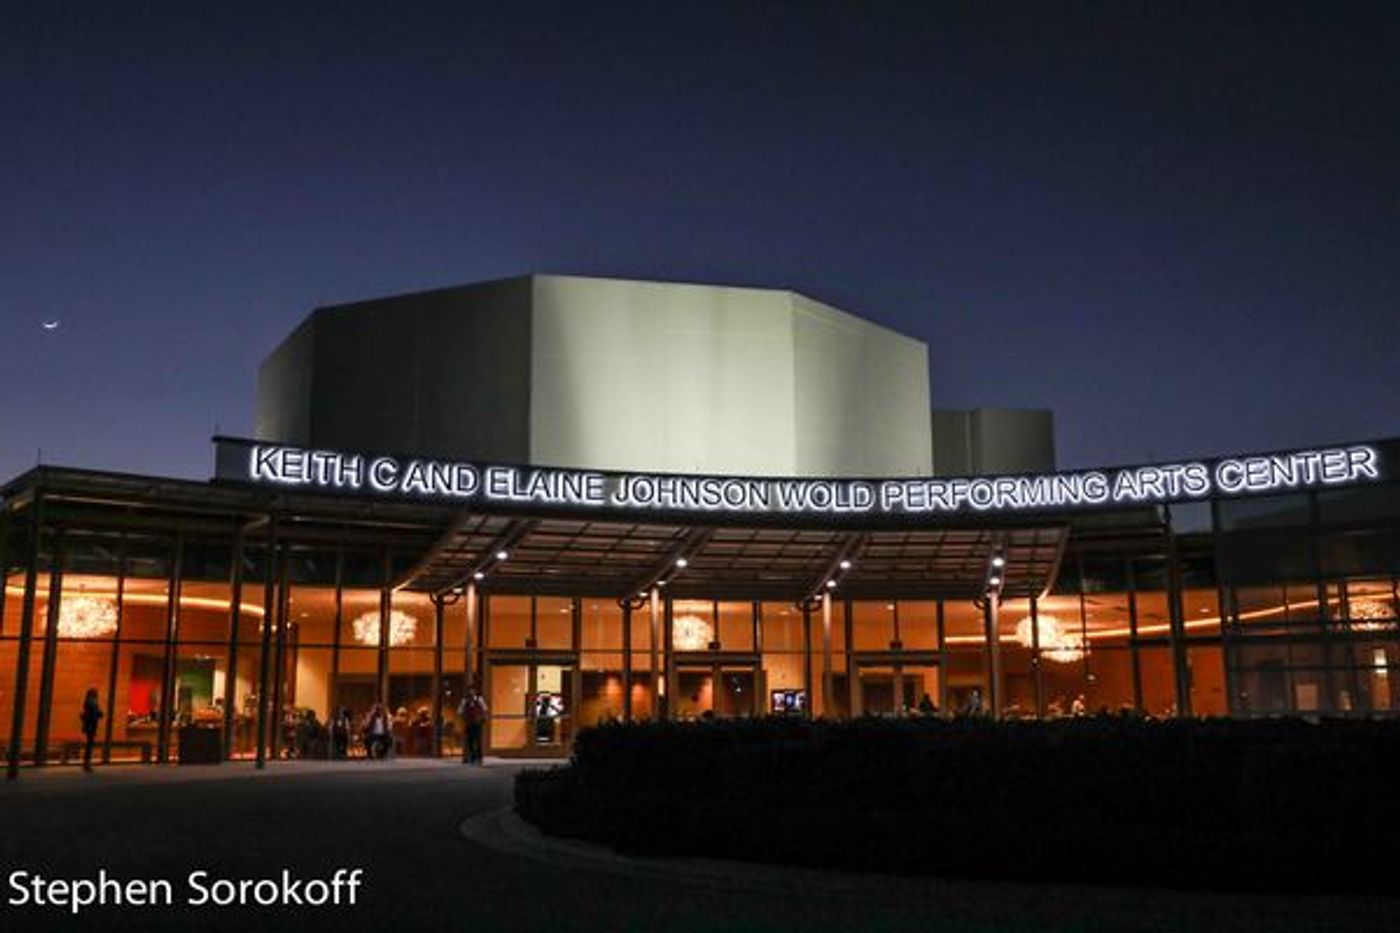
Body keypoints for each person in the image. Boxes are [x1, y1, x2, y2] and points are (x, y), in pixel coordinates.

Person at [457, 688, 487, 764]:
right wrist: (464, 717)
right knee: (470, 741)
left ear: (475, 691)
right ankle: (472, 757)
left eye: (473, 691)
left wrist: (482, 718)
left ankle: (479, 757)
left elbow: (485, 709)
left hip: (477, 723)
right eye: (470, 691)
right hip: (469, 723)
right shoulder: (465, 700)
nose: (471, 692)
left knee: (478, 740)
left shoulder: (479, 699)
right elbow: (459, 711)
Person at [79, 688, 103, 772]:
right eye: (95, 694)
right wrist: (99, 714)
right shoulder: (91, 703)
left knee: (89, 745)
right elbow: (91, 715)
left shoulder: (89, 703)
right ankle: (87, 764)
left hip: (90, 726)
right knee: (89, 745)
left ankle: (86, 763)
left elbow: (88, 715)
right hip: (91, 726)